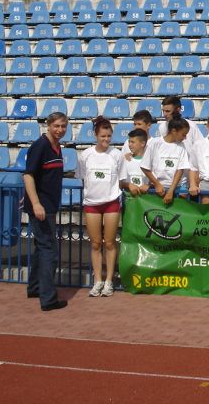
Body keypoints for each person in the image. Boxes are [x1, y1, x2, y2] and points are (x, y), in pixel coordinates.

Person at [23, 112, 69, 311]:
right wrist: (36, 203)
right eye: (56, 126)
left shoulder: (57, 147)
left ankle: (35, 288)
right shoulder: (40, 146)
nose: (60, 130)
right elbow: (28, 176)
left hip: (49, 205)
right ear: (48, 125)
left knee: (41, 248)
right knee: (49, 251)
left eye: (63, 126)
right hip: (41, 207)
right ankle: (48, 299)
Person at [76, 116, 126, 298]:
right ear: (95, 135)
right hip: (91, 204)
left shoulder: (117, 155)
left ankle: (109, 281)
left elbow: (122, 179)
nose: (106, 139)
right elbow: (82, 177)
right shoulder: (86, 155)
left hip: (111, 202)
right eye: (103, 136)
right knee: (96, 243)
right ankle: (98, 280)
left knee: (110, 242)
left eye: (109, 136)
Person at [141, 116, 190, 205]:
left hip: (175, 189)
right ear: (174, 131)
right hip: (156, 189)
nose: (185, 137)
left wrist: (171, 191)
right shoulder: (155, 143)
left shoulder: (182, 146)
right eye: (183, 134)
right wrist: (157, 184)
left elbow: (180, 170)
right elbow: (144, 167)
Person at [122, 128, 150, 196]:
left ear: (142, 143)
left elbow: (158, 181)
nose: (129, 145)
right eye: (129, 142)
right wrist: (128, 185)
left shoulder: (151, 160)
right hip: (128, 199)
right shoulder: (124, 160)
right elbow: (118, 181)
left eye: (132, 142)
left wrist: (149, 186)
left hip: (147, 199)